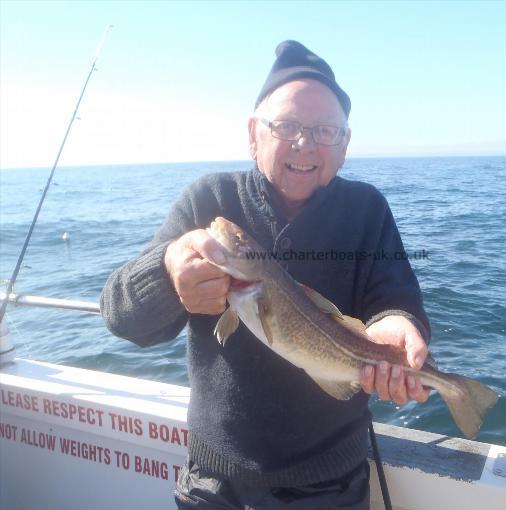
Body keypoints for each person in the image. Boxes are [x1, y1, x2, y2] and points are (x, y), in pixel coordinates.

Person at [101, 40, 431, 509]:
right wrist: (167, 270)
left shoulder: (367, 209)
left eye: (324, 130)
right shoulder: (207, 201)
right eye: (287, 126)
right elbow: (120, 317)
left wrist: (400, 324)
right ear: (253, 134)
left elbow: (396, 300)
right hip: (214, 486)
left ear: (345, 143)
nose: (305, 143)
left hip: (332, 485)